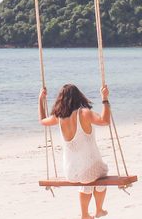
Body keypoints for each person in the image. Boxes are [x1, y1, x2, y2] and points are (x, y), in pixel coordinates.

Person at [39, 83, 111, 219]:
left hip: (70, 172)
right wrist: (105, 99)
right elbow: (105, 121)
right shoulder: (84, 113)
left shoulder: (58, 117)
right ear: (79, 97)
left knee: (88, 178)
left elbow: (42, 120)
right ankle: (98, 209)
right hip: (88, 171)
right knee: (102, 173)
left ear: (61, 99)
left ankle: (85, 214)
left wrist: (40, 100)